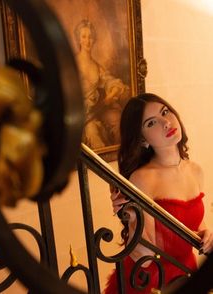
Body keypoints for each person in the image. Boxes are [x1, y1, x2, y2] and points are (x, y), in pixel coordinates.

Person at [104, 93, 213, 293]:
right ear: (142, 139)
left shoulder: (195, 170)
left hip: (186, 271)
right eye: (151, 123)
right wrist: (131, 214)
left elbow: (195, 223)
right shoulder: (143, 179)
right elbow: (144, 257)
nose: (165, 122)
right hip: (149, 280)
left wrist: (205, 235)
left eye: (165, 112)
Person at [74, 19, 130, 150]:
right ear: (79, 39)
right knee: (92, 132)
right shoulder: (73, 65)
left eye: (90, 37)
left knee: (117, 119)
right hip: (83, 113)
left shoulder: (97, 67)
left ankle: (123, 154)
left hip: (99, 108)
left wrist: (114, 90)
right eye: (84, 37)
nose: (88, 41)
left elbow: (109, 80)